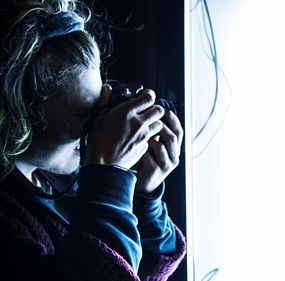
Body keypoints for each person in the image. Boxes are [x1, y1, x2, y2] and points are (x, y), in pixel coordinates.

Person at [0, 0, 186, 280]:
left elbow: (136, 271)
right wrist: (109, 180)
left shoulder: (57, 179)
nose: (100, 127)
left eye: (101, 104)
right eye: (85, 114)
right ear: (17, 114)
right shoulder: (8, 221)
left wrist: (144, 198)